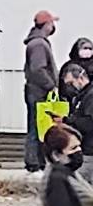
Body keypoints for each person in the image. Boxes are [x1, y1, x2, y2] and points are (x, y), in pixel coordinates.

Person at [24, 11, 59, 172]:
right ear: (46, 25)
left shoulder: (37, 42)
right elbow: (38, 69)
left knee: (38, 127)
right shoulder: (39, 44)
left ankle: (37, 162)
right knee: (37, 128)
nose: (53, 27)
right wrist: (51, 85)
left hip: (35, 92)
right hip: (38, 93)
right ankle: (34, 163)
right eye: (51, 23)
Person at [59, 62, 93, 182]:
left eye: (71, 83)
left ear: (81, 78)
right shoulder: (82, 96)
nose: (70, 87)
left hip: (90, 150)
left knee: (79, 185)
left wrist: (68, 121)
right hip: (85, 149)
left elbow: (89, 123)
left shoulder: (90, 96)